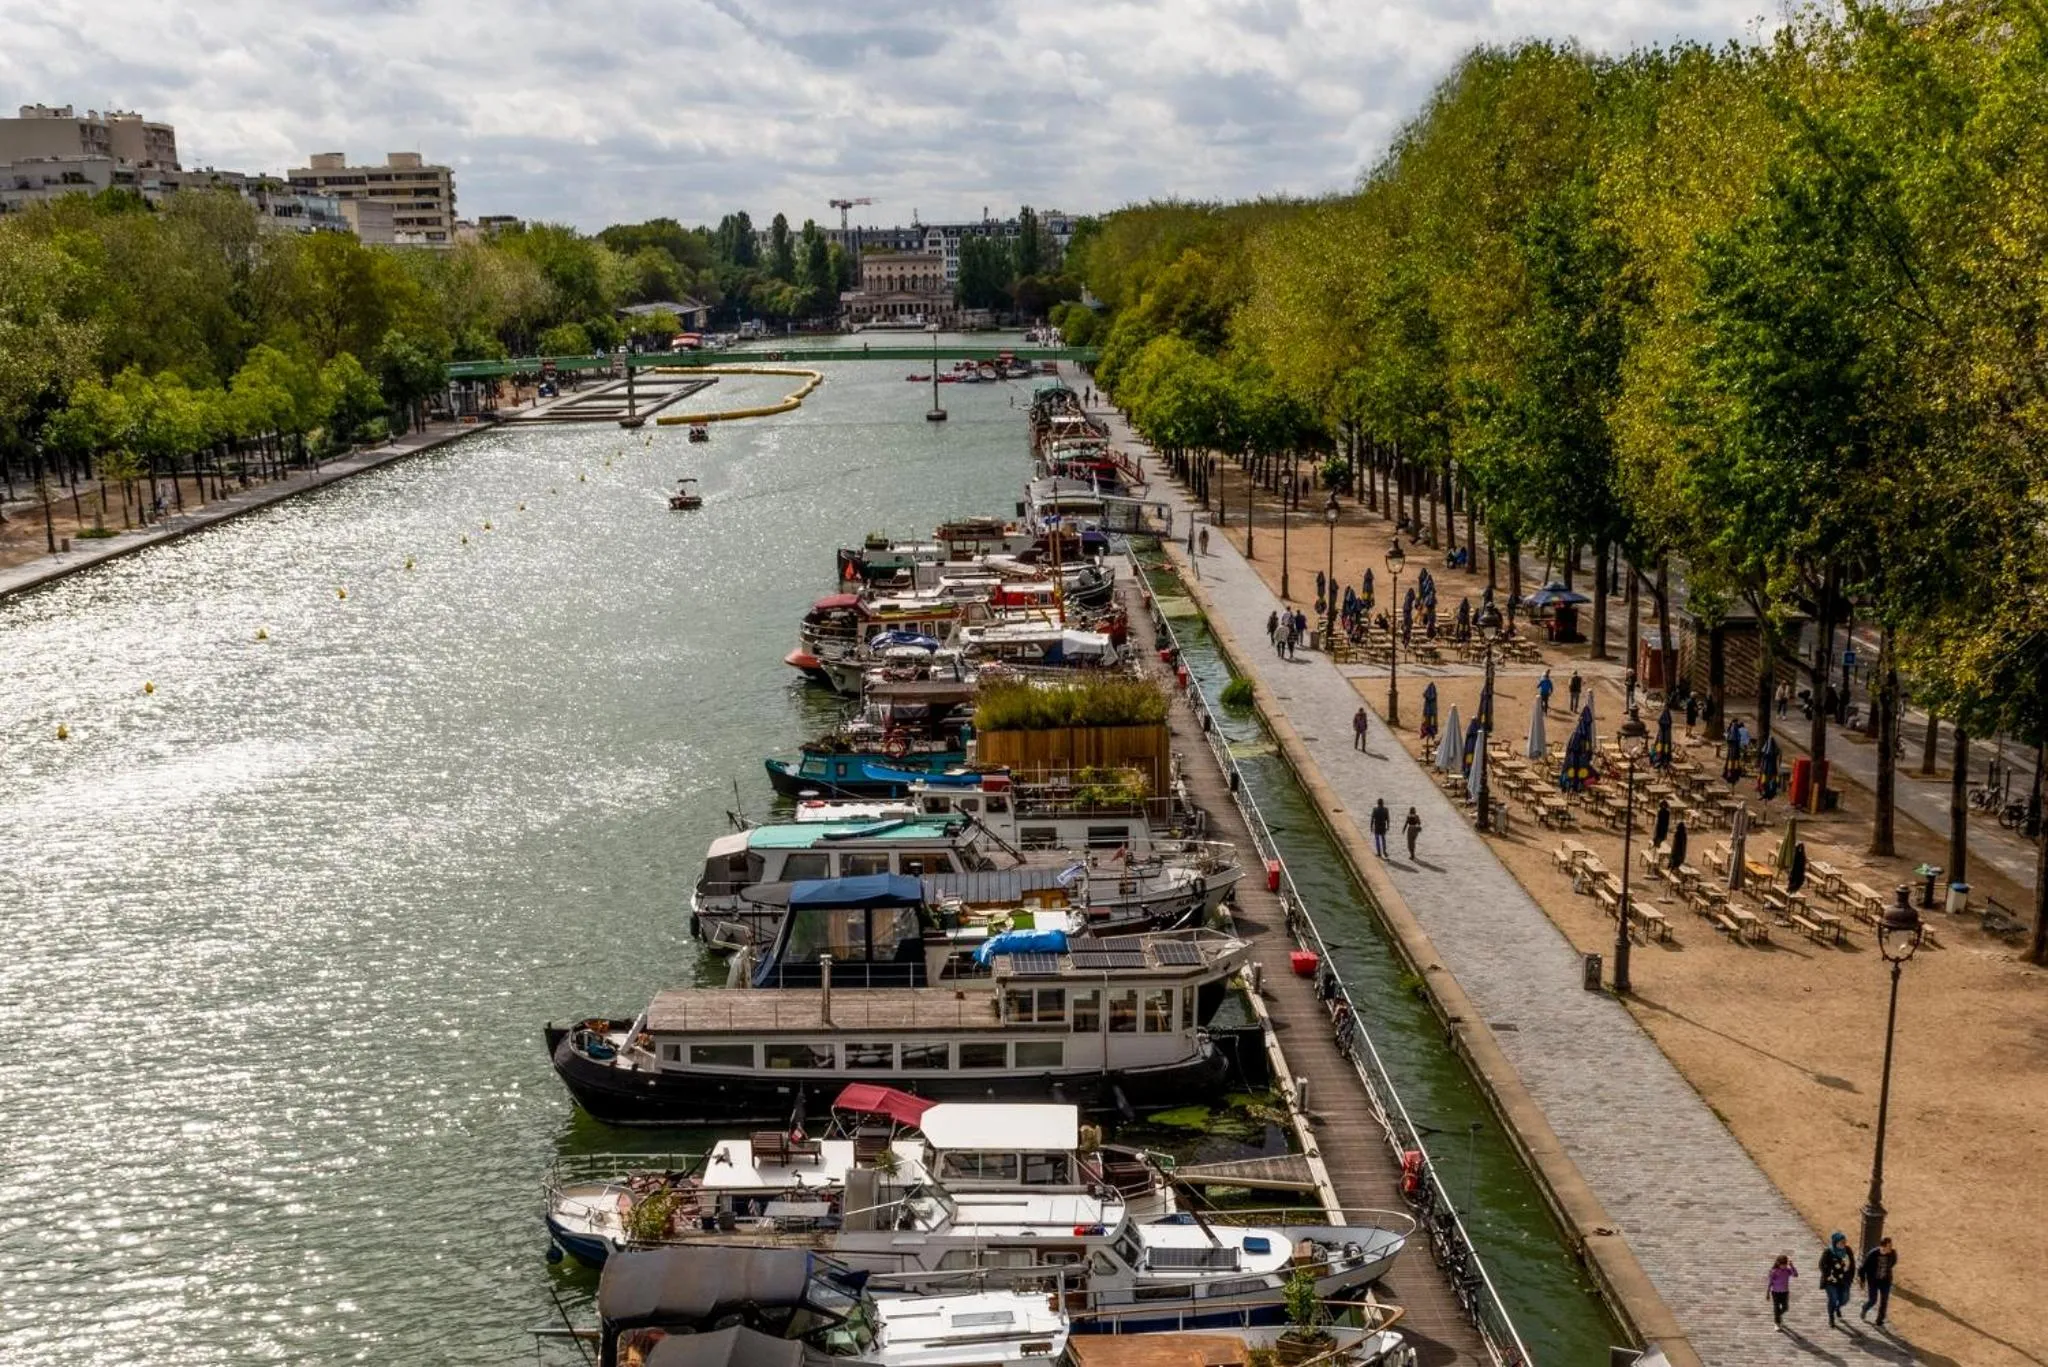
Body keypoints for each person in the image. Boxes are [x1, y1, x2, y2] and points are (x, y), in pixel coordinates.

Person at [1819, 1232, 1855, 1328]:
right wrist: (1828, 1275)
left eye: (1844, 1242)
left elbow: (1852, 1265)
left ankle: (1837, 1308)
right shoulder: (1828, 1252)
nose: (1843, 1244)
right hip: (1831, 1281)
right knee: (1833, 1299)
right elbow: (1821, 1265)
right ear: (1835, 1242)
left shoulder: (1848, 1250)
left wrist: (1851, 1277)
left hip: (1844, 1281)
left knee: (1844, 1299)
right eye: (1841, 1242)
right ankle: (1831, 1317)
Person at [1859, 1236, 1897, 1325]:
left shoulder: (1893, 1253)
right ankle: (1865, 1308)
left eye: (1891, 1245)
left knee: (1884, 1301)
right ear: (1883, 1246)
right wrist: (1862, 1280)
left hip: (1886, 1281)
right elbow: (1863, 1268)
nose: (1891, 1248)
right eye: (1889, 1246)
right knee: (1873, 1300)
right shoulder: (1872, 1254)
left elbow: (1893, 1263)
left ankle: (1880, 1320)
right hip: (1873, 1281)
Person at [1767, 1253, 1798, 1330]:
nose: (1784, 1266)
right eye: (1783, 1264)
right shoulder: (1774, 1271)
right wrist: (1767, 1293)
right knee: (1776, 1307)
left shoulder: (1787, 1270)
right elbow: (1770, 1282)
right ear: (1778, 1263)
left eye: (1785, 1264)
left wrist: (1792, 1266)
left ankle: (1778, 1316)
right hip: (1775, 1292)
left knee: (1785, 1308)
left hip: (1785, 1292)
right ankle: (1777, 1323)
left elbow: (1796, 1275)